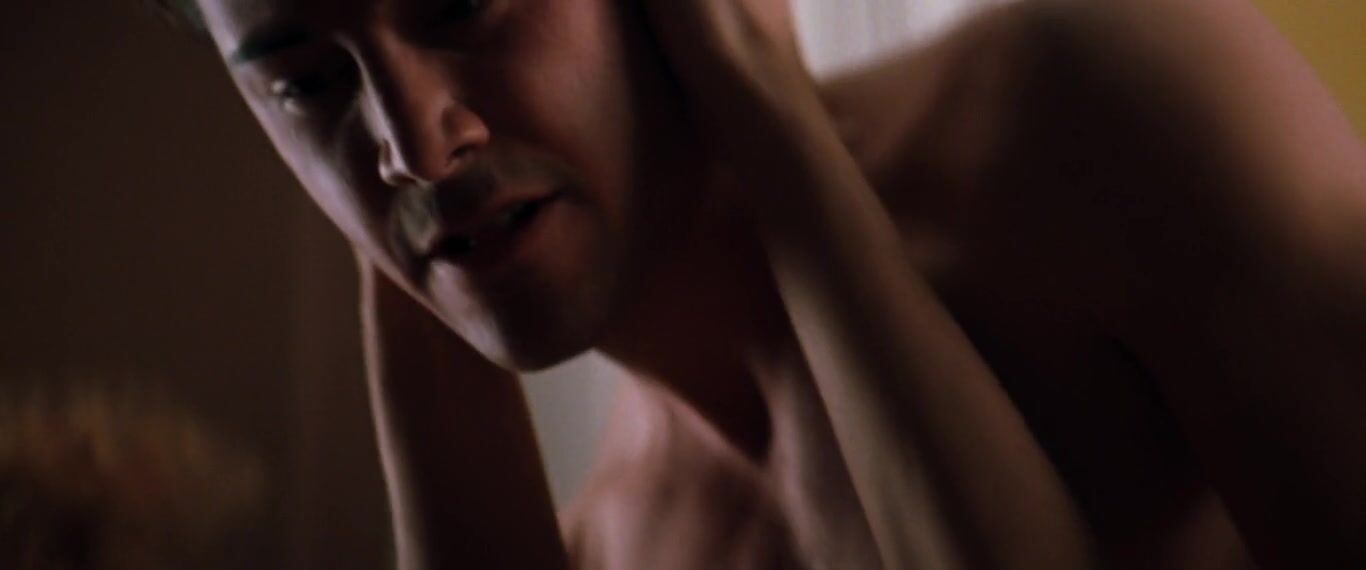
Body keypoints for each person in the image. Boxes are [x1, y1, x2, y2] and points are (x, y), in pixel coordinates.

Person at [160, 0, 1364, 567]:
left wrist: (761, 98)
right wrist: (403, 256)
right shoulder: (615, 542)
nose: (415, 149)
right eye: (305, 84)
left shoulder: (1089, 126)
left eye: (463, 6)